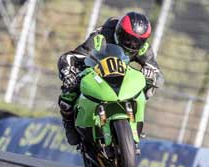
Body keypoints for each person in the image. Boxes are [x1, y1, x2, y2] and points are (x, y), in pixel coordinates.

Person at [57, 11, 164, 145]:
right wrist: (68, 71)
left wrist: (151, 73)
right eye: (127, 38)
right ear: (119, 32)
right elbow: (73, 56)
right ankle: (69, 124)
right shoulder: (101, 36)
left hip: (122, 73)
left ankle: (135, 120)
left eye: (137, 42)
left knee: (148, 86)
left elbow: (156, 71)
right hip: (96, 69)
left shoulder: (143, 48)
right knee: (69, 92)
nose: (131, 45)